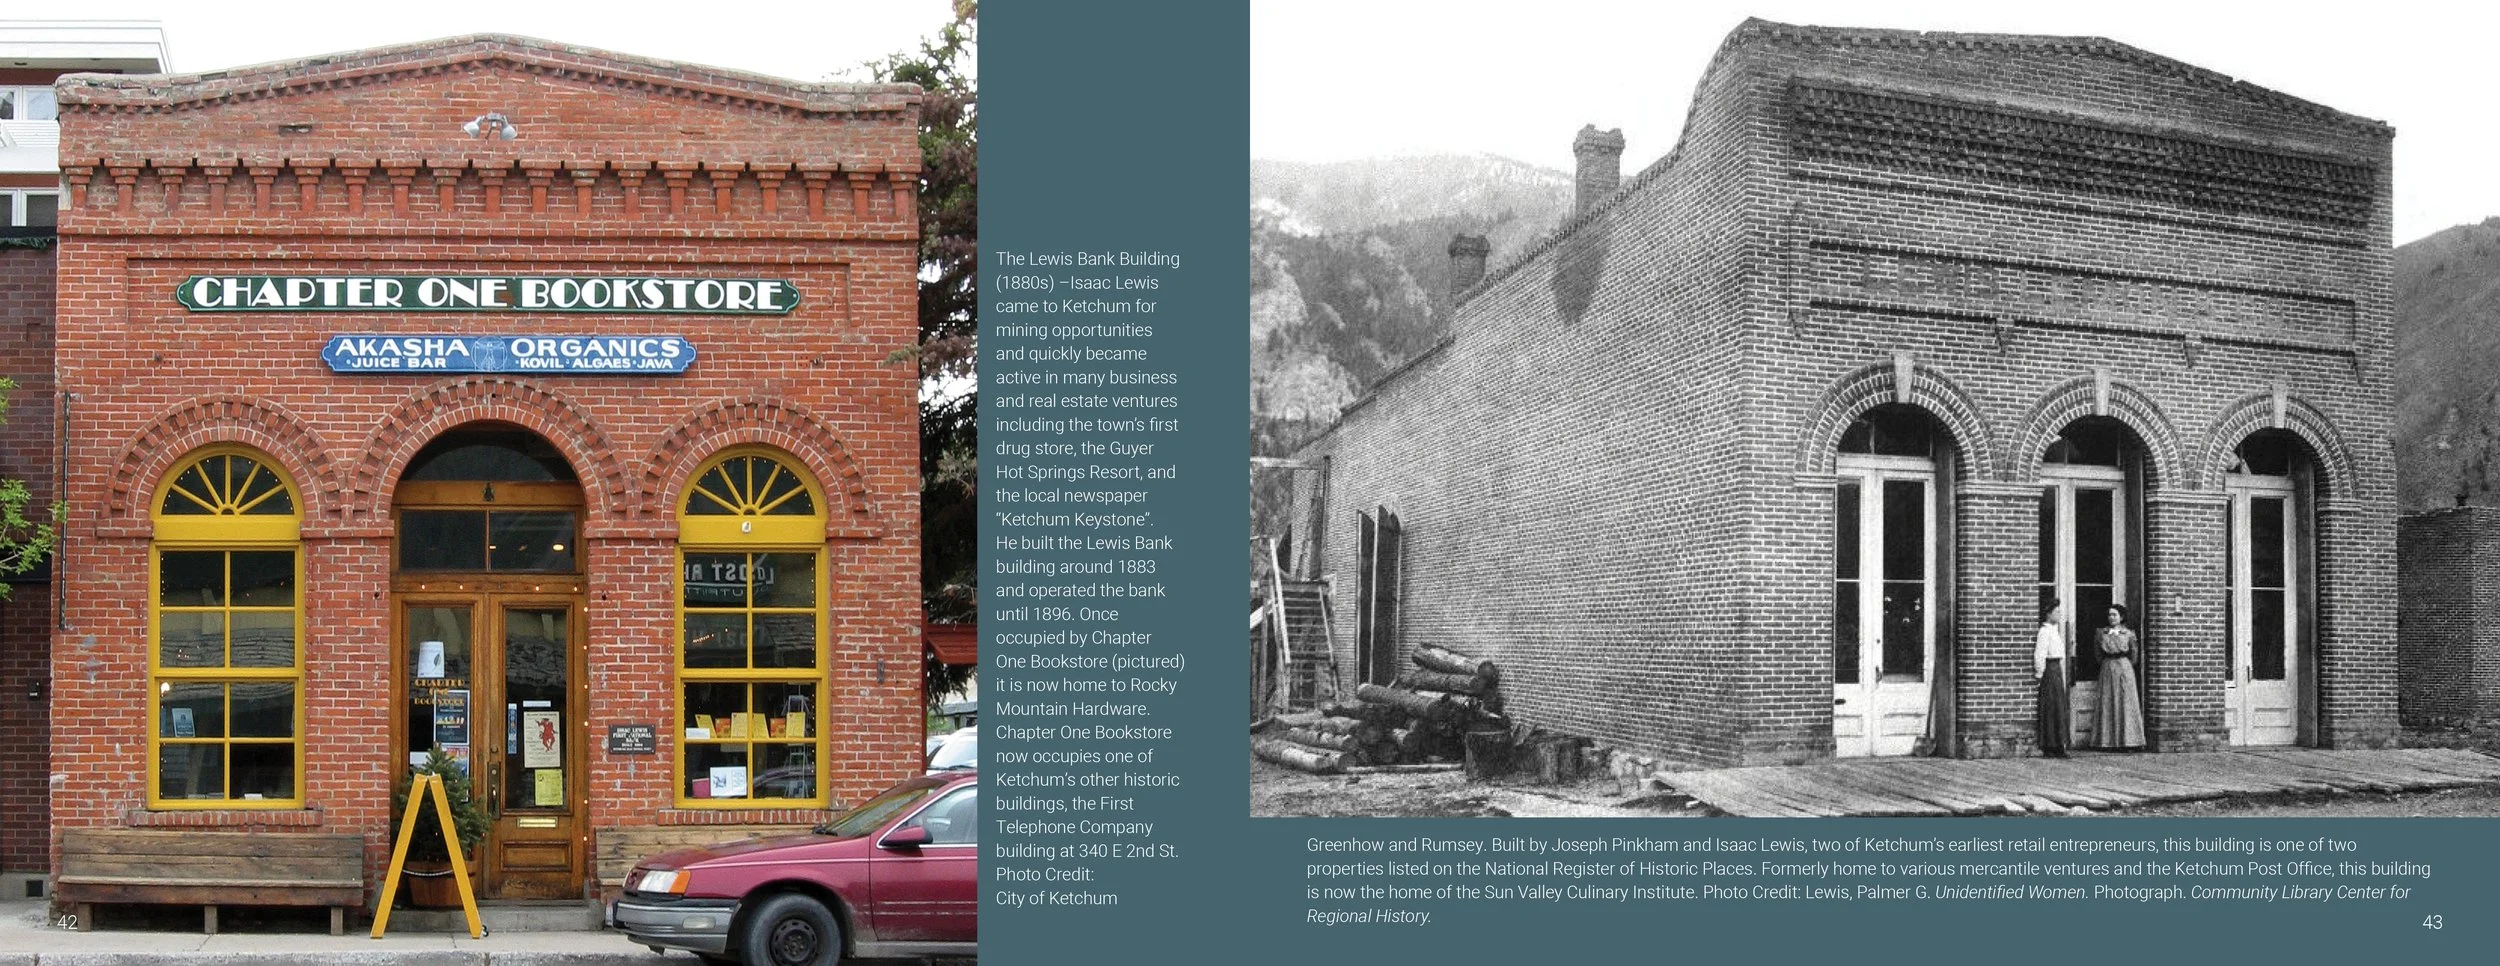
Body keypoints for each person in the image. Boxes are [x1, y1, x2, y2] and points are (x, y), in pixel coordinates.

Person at [2093, 604, 2148, 750]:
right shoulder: (2101, 633)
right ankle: (2107, 742)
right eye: (2110, 615)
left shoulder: (2129, 633)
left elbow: (2134, 654)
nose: (2111, 617)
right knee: (2107, 700)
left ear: (2121, 617)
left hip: (2124, 667)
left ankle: (2129, 741)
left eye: (2115, 615)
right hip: (2107, 667)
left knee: (2126, 702)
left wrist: (2125, 665)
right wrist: (2107, 662)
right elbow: (2097, 653)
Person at [2034, 603, 2070, 758]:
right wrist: (2039, 673)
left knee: (2058, 706)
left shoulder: (2054, 631)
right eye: (2056, 612)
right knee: (2051, 707)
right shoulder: (2044, 631)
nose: (2059, 614)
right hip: (2049, 670)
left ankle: (2058, 744)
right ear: (2048, 614)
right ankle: (2050, 745)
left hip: (2056, 669)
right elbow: (2040, 653)